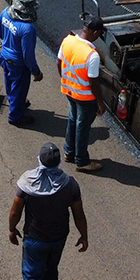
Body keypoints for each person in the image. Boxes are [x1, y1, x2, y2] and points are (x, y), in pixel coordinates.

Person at [8, 142, 88, 280]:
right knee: (50, 270)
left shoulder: (27, 182)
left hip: (34, 240)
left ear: (40, 160)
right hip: (58, 239)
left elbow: (15, 211)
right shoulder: (70, 184)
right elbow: (78, 214)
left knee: (32, 276)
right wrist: (84, 236)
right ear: (59, 162)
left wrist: (12, 229)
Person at [57, 17, 106, 172]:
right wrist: (100, 103)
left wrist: (65, 80)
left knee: (72, 120)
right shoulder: (92, 55)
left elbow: (59, 63)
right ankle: (82, 161)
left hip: (69, 91)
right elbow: (93, 83)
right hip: (85, 97)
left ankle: (69, 152)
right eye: (100, 33)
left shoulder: (67, 40)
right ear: (95, 33)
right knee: (82, 127)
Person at [0, 0, 43, 127]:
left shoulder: (5, 12)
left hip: (4, 55)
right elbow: (28, 55)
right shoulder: (27, 28)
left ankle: (14, 102)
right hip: (18, 63)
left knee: (9, 81)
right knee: (19, 88)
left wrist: (7, 42)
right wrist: (36, 71)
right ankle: (15, 117)